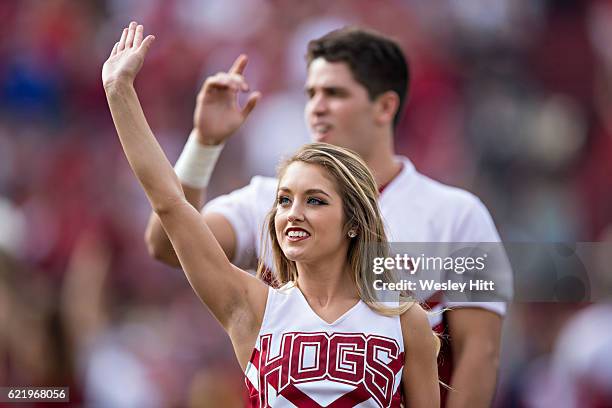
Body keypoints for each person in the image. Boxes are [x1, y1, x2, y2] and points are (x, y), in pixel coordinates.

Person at [146, 26, 510, 406]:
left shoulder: (457, 214)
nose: (316, 107)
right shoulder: (272, 201)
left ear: (385, 106)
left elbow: (478, 354)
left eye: (334, 93)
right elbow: (167, 244)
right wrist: (204, 146)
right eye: (311, 93)